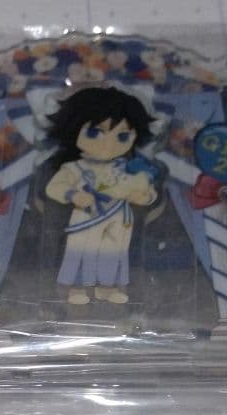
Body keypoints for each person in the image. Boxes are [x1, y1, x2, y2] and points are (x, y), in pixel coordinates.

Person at [42, 87, 159, 305]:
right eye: (95, 133)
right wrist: (73, 194)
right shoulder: (76, 167)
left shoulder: (127, 167)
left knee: (113, 250)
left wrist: (145, 197)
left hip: (119, 217)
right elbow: (54, 187)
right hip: (87, 214)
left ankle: (107, 286)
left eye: (122, 136)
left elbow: (147, 189)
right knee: (81, 249)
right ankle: (77, 287)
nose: (108, 144)